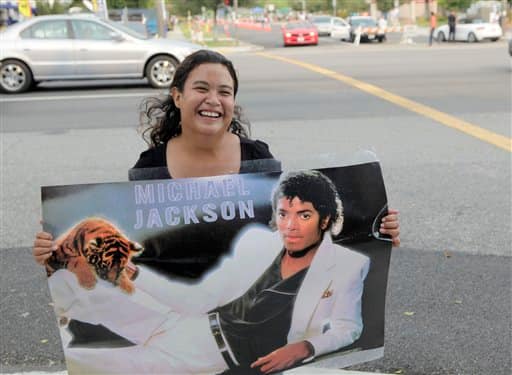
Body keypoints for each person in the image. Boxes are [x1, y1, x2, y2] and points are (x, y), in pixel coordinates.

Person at [32, 50, 401, 371]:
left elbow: (345, 315)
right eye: (201, 88)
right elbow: (143, 246)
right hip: (170, 306)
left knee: (97, 360)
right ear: (177, 96)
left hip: (212, 348)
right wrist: (53, 248)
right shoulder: (151, 166)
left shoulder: (258, 161)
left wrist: (383, 231)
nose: (213, 99)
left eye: (224, 92)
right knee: (78, 313)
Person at [41, 170, 372, 374]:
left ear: (326, 219)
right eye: (284, 213)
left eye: (304, 215)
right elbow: (200, 299)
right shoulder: (258, 242)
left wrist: (306, 347)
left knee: (89, 365)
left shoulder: (348, 265)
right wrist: (136, 274)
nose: (290, 226)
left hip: (207, 356)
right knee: (74, 287)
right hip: (183, 320)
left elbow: (349, 328)